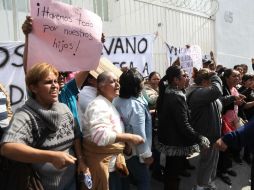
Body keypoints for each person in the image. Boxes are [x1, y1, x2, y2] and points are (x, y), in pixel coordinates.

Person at [0, 63, 88, 190]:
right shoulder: (25, 115)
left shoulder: (64, 109)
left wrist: (81, 161)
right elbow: (7, 148)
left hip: (71, 184)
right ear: (33, 88)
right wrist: (51, 157)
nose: (55, 86)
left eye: (55, 81)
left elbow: (76, 136)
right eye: (48, 82)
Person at [81, 71, 144, 190]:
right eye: (112, 81)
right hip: (104, 167)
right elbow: (100, 136)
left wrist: (125, 145)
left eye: (118, 81)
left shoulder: (108, 103)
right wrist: (129, 138)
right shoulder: (98, 105)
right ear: (101, 86)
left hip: (113, 164)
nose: (118, 84)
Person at [156, 65, 210, 190]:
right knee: (172, 175)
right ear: (175, 80)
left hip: (171, 140)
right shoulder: (175, 98)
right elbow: (183, 125)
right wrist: (199, 138)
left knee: (172, 173)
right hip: (175, 143)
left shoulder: (171, 93)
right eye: (184, 76)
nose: (188, 78)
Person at [114, 68, 153, 190]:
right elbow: (139, 133)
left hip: (122, 150)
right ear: (135, 86)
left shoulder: (116, 100)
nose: (143, 84)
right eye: (141, 82)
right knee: (143, 181)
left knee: (125, 179)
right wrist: (146, 155)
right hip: (135, 153)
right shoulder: (135, 105)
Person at [186, 68, 223, 190]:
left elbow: (217, 100)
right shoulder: (198, 93)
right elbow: (217, 91)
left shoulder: (203, 92)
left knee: (212, 161)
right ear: (204, 81)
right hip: (207, 134)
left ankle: (207, 183)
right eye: (210, 81)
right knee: (206, 162)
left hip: (213, 133)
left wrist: (232, 99)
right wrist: (215, 76)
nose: (212, 84)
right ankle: (201, 186)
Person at [214, 120, 254, 190]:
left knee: (228, 153)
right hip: (224, 129)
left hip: (232, 130)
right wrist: (228, 138)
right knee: (224, 152)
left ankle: (227, 169)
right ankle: (223, 172)